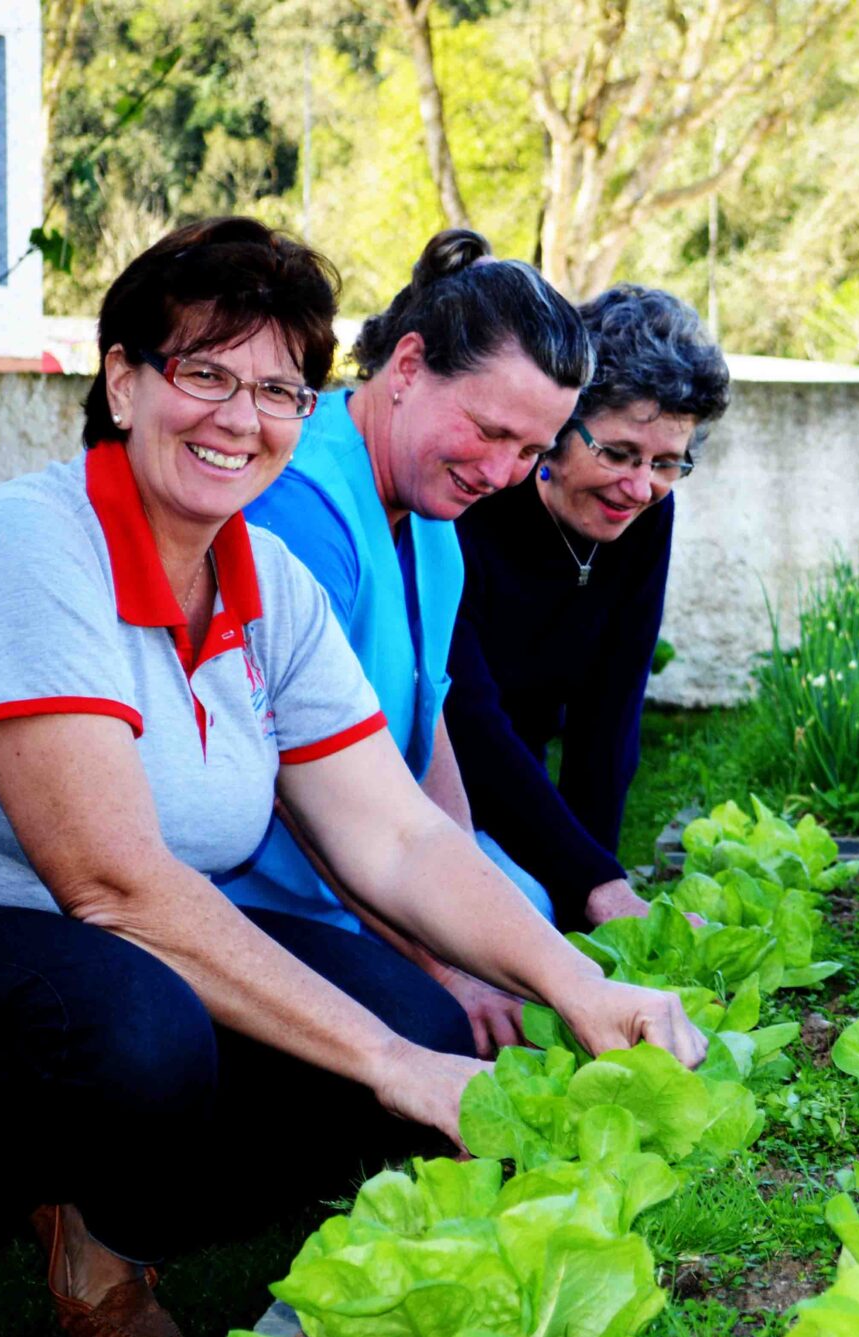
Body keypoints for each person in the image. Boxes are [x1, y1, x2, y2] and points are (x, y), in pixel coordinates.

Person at [0, 218, 703, 1337]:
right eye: (202, 373)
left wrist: (578, 984)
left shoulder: (270, 587)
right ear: (123, 381)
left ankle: (107, 1226)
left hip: (88, 966)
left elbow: (401, 833)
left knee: (409, 1003)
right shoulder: (27, 553)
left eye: (276, 388)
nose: (239, 416)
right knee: (145, 1019)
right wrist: (394, 1066)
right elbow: (113, 887)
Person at [225, 230, 590, 1055]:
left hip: (376, 864)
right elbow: (301, 788)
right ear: (411, 366)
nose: (502, 474)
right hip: (272, 892)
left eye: (531, 452)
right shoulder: (302, 507)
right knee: (443, 1016)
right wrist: (445, 963)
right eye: (491, 432)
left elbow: (431, 733)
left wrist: (472, 898)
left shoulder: (434, 522)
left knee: (526, 909)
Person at [446, 285, 732, 930]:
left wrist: (597, 890)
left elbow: (610, 714)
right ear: (557, 430)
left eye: (666, 462)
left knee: (556, 912)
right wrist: (589, 880)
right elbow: (467, 716)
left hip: (524, 781)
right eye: (619, 453)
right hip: (439, 781)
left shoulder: (644, 514)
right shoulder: (474, 503)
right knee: (524, 912)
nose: (639, 487)